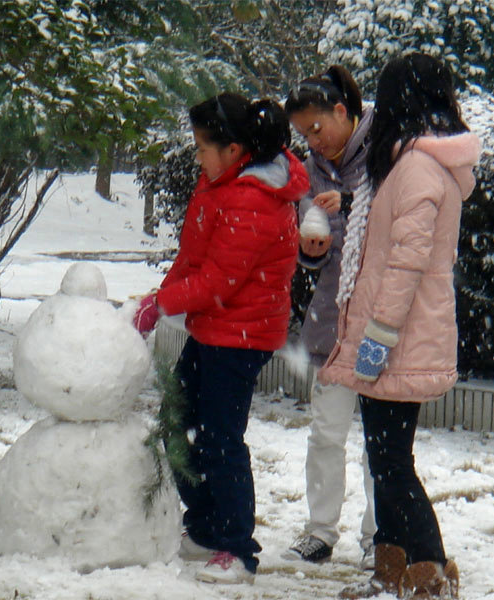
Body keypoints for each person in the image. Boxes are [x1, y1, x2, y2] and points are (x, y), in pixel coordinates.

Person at [318, 53, 480, 599]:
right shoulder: (407, 161)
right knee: (385, 458)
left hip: (399, 340)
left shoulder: (416, 167)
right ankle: (391, 571)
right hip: (393, 338)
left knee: (391, 461)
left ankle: (430, 574)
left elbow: (405, 264)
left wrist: (377, 340)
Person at [133, 92, 309, 584]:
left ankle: (237, 548)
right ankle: (207, 527)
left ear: (234, 150)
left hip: (240, 336)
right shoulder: (220, 185)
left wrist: (164, 304)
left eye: (203, 147)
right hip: (213, 329)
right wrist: (160, 295)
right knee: (178, 426)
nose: (197, 156)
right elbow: (194, 260)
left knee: (220, 441)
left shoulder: (253, 199)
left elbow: (218, 281)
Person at [281, 66, 377, 569]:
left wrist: (354, 201)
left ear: (342, 111)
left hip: (381, 319)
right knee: (326, 431)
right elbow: (316, 244)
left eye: (316, 129)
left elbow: (394, 221)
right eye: (303, 135)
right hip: (330, 321)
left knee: (379, 440)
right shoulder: (311, 169)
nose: (312, 142)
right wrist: (312, 250)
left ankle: (378, 537)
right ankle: (320, 530)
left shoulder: (386, 150)